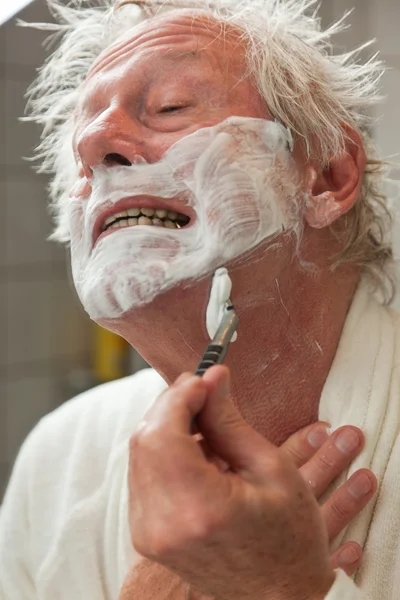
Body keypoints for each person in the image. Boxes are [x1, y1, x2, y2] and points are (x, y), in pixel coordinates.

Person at [0, 0, 399, 598]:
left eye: (171, 107)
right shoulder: (58, 458)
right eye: (81, 151)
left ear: (326, 177)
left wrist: (283, 587)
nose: (94, 143)